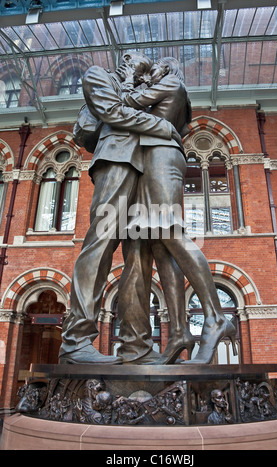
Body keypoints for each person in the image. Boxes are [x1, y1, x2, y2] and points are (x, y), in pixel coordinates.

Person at [58, 52, 184, 365]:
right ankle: (75, 341)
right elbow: (112, 111)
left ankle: (136, 347)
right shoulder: (98, 75)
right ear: (126, 59)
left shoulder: (142, 90)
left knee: (140, 256)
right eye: (142, 66)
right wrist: (161, 127)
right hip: (116, 160)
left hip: (146, 170)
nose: (146, 73)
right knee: (100, 242)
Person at [117, 57, 237, 364]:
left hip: (161, 157)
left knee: (170, 232)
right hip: (154, 159)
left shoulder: (171, 83)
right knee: (160, 244)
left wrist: (131, 77)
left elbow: (126, 102)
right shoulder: (171, 92)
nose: (149, 73)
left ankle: (215, 316)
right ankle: (181, 331)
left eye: (154, 69)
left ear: (168, 69)